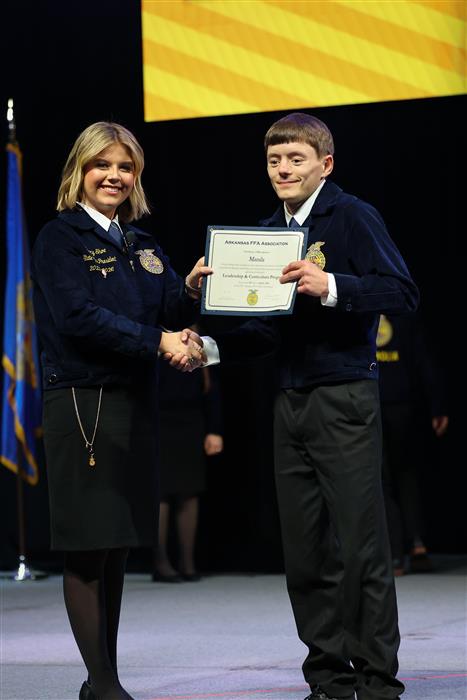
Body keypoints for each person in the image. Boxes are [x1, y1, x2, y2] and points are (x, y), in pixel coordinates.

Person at [210, 113, 419, 700]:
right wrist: (209, 346)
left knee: (360, 546)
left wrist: (331, 287)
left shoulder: (351, 215)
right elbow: (265, 331)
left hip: (345, 396)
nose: (283, 169)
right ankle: (327, 676)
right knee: (304, 551)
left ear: (325, 164)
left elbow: (402, 292)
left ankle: (376, 679)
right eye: (274, 160)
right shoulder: (264, 233)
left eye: (296, 159)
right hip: (289, 402)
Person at [31, 121, 208, 700]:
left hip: (137, 402)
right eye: (102, 165)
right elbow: (78, 318)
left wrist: (190, 290)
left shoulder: (143, 244)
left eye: (125, 167)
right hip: (84, 403)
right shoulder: (60, 239)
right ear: (79, 171)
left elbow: (167, 308)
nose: (114, 176)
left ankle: (100, 680)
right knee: (88, 545)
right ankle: (104, 684)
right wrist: (159, 341)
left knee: (115, 546)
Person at [377, 313, 449, 577]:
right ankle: (415, 546)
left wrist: (437, 405)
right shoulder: (403, 311)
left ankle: (398, 553)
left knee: (386, 479)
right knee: (404, 475)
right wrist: (437, 405)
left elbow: (422, 358)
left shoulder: (363, 305)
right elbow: (424, 360)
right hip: (390, 404)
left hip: (383, 403)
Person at [153, 352, 223, 583]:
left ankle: (187, 561)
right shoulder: (152, 333)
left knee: (190, 490)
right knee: (161, 492)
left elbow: (212, 382)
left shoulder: (198, 336)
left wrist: (214, 429)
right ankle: (161, 562)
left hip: (191, 416)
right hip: (158, 416)